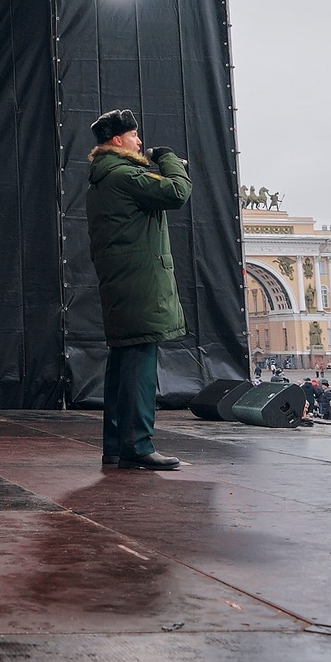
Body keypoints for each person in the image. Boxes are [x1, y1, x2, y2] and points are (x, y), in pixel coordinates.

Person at [84, 108, 191, 471]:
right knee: (139, 371)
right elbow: (178, 192)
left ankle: (116, 445)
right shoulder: (124, 176)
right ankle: (138, 446)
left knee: (122, 367)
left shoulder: (104, 179)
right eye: (134, 136)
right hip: (140, 284)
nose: (140, 141)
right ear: (117, 141)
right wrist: (168, 158)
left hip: (124, 284)